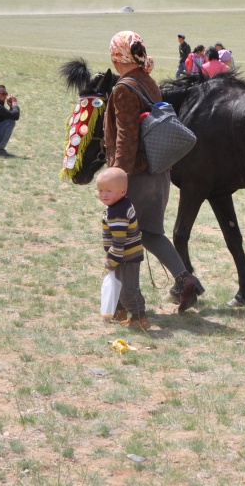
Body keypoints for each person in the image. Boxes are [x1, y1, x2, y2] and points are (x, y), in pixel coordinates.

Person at [103, 31, 204, 313]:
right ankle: (186, 280)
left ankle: (125, 304)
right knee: (149, 233)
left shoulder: (124, 88)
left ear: (117, 56)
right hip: (159, 171)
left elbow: (126, 136)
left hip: (136, 175)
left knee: (123, 237)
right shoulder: (147, 80)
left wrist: (118, 177)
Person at [96, 167, 148, 328]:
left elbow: (119, 241)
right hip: (125, 256)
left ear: (122, 191)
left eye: (108, 191)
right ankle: (121, 311)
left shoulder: (118, 212)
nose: (104, 195)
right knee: (122, 284)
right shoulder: (119, 204)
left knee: (128, 290)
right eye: (100, 190)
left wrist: (111, 260)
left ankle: (140, 318)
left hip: (126, 257)